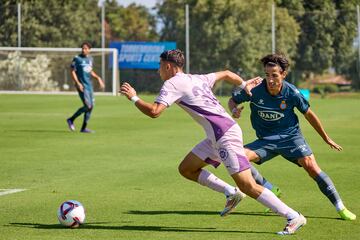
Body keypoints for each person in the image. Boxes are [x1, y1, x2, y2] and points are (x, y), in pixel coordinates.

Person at [120, 49, 306, 235]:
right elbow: (226, 73)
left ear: (168, 66)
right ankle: (230, 192)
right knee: (187, 169)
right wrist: (243, 84)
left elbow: (154, 111)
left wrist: (134, 97)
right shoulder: (196, 78)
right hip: (218, 134)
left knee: (248, 185)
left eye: (160, 67)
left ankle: (292, 216)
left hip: (224, 135)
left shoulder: (172, 83)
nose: (158, 71)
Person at [228, 53, 356, 221]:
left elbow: (309, 114)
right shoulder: (254, 90)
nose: (270, 79)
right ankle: (270, 189)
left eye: (274, 75)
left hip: (291, 138)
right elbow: (232, 100)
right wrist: (234, 109)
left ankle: (341, 207)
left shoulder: (292, 92)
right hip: (266, 140)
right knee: (238, 159)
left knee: (311, 167)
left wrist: (326, 138)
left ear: (283, 74)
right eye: (267, 75)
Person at [66, 42, 105, 133]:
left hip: (89, 86)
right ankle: (71, 119)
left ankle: (83, 128)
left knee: (91, 107)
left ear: (89, 50)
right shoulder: (77, 59)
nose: (83, 50)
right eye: (82, 48)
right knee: (88, 105)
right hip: (81, 86)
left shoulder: (90, 59)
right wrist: (78, 82)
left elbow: (90, 71)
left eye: (86, 48)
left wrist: (98, 78)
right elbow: (72, 71)